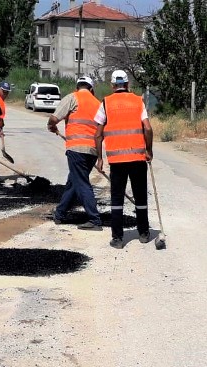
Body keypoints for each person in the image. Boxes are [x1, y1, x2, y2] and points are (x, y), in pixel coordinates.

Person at [94, 70, 154, 249]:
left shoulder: (106, 102)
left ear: (113, 86)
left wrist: (99, 158)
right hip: (137, 158)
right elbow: (148, 129)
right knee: (140, 196)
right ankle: (143, 233)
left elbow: (98, 134)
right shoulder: (138, 101)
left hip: (117, 161)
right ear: (127, 84)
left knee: (117, 199)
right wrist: (149, 150)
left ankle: (118, 238)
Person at [48, 75, 102, 230]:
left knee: (81, 183)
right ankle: (60, 214)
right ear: (91, 89)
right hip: (92, 150)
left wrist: (51, 126)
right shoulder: (98, 104)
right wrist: (99, 156)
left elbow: (54, 118)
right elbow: (101, 131)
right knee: (74, 182)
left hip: (76, 149)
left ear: (77, 87)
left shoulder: (73, 98)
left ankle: (94, 219)